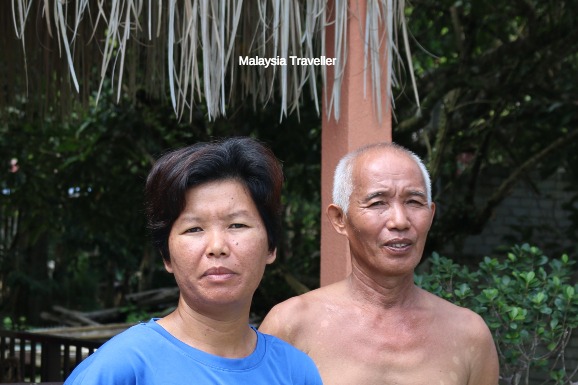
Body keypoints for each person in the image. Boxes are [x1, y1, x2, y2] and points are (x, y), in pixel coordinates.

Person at [64, 137, 323, 385]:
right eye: (194, 229)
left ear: (271, 246)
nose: (217, 247)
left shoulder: (296, 371)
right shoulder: (123, 368)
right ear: (166, 256)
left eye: (237, 224)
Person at [259, 142, 499, 385]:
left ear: (431, 214)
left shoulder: (468, 335)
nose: (400, 221)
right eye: (378, 203)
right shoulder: (291, 326)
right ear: (339, 219)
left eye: (414, 202)